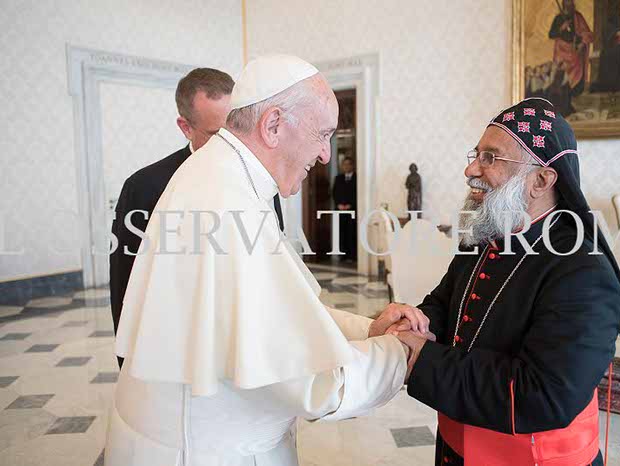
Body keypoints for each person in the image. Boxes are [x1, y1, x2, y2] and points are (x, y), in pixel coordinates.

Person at [104, 54, 432, 466]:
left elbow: (281, 314)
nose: (326, 155)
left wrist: (370, 330)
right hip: (207, 451)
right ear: (273, 124)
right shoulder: (227, 202)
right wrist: (400, 351)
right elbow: (318, 386)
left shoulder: (219, 174)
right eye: (322, 134)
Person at [391, 97, 620, 466]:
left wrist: (420, 357)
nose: (471, 169)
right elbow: (445, 304)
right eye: (476, 154)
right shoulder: (486, 234)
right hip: (455, 446)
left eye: (491, 158)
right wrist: (414, 323)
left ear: (541, 180)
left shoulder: (584, 271)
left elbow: (544, 395)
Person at [109, 68, 235, 369]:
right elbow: (126, 281)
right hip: (177, 340)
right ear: (185, 127)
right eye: (217, 134)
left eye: (235, 130)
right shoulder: (144, 187)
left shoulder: (260, 179)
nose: (231, 144)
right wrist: (129, 363)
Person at [547, 0, 593, 116]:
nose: (570, 5)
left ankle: (572, 98)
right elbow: (551, 34)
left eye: (571, 3)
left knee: (575, 78)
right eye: (567, 3)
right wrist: (561, 28)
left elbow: (587, 33)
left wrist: (582, 42)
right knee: (561, 76)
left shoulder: (578, 17)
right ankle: (562, 104)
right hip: (561, 50)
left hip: (575, 51)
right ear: (564, 4)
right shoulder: (559, 18)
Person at [332, 156, 357, 261]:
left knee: (351, 232)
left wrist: (350, 205)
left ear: (352, 165)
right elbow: (334, 193)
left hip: (352, 210)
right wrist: (339, 204)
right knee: (341, 232)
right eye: (344, 164)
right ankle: (342, 254)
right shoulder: (338, 178)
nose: (346, 166)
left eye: (348, 164)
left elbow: (357, 194)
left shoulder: (357, 178)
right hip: (340, 210)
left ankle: (352, 255)